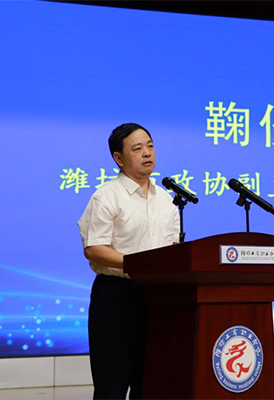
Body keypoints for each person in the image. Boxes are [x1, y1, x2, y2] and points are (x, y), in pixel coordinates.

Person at [77, 123, 179, 400]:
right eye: (137, 148)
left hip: (158, 299)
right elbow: (94, 248)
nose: (147, 153)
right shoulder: (106, 196)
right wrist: (140, 264)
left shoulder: (166, 200)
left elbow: (172, 249)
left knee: (150, 384)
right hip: (116, 298)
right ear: (119, 158)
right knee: (112, 386)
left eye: (150, 146)